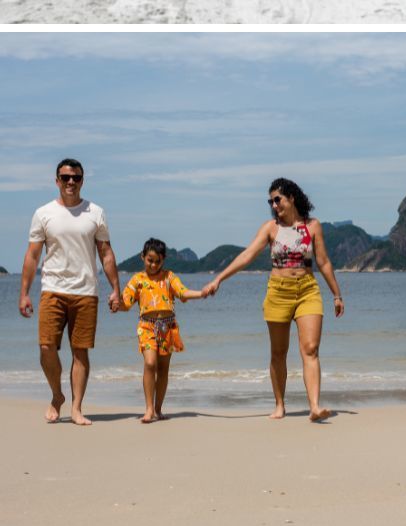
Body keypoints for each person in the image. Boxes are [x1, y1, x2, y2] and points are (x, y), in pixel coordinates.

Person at [203, 178, 344, 421]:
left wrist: (337, 294)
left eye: (277, 199)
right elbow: (247, 255)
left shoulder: (313, 226)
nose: (273, 204)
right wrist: (219, 279)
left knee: (310, 349)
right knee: (279, 353)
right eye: (270, 201)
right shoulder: (270, 228)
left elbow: (323, 262)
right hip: (278, 292)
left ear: (291, 197)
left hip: (308, 290)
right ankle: (279, 404)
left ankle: (314, 406)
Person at [17, 159, 121, 425]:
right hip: (52, 290)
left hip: (86, 291)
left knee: (80, 351)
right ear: (57, 181)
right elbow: (32, 255)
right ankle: (56, 395)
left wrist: (116, 290)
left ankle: (76, 408)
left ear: (82, 181)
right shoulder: (43, 213)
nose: (70, 182)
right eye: (65, 178)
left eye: (75, 178)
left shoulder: (95, 212)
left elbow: (106, 253)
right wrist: (24, 293)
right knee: (46, 347)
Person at [120, 237, 206, 423]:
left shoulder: (169, 277)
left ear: (163, 260)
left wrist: (202, 293)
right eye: (150, 260)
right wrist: (115, 302)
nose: (153, 265)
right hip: (146, 326)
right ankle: (149, 409)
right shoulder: (137, 280)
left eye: (158, 261)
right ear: (142, 257)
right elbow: (125, 303)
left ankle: (158, 409)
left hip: (168, 327)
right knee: (150, 363)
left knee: (164, 369)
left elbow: (183, 292)